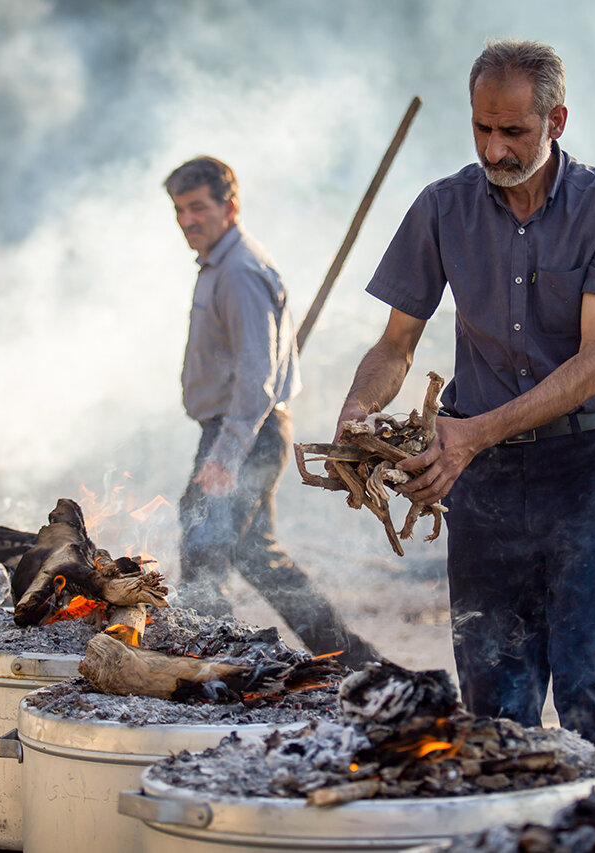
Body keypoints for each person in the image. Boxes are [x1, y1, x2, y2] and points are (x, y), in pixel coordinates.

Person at [335, 40, 595, 742]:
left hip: (587, 469)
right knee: (492, 703)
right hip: (484, 485)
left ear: (557, 121)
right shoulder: (441, 208)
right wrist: (360, 410)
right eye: (482, 127)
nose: (495, 147)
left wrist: (474, 433)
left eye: (514, 131)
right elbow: (396, 346)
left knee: (587, 691)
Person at [166, 155, 377, 666]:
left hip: (244, 431)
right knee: (259, 557)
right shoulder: (222, 263)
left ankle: (207, 666)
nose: (187, 220)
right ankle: (357, 663)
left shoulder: (239, 271)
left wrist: (226, 453)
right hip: (244, 429)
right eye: (179, 210)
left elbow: (257, 380)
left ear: (230, 207)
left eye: (197, 208)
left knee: (204, 546)